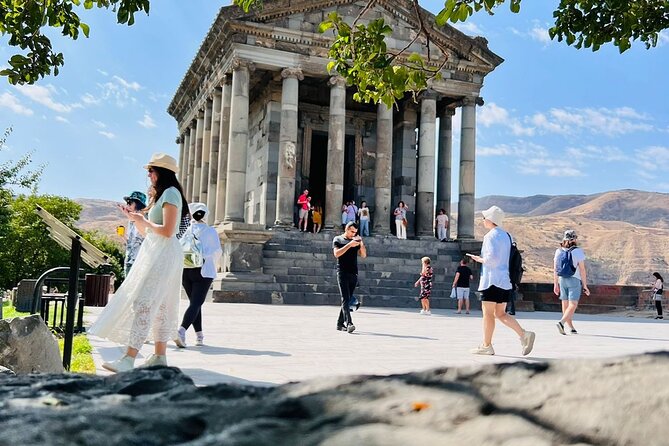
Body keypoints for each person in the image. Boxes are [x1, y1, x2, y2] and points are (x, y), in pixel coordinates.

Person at [89, 153, 188, 372]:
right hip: (157, 251)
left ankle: (129, 358)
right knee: (158, 305)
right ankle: (159, 357)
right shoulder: (163, 195)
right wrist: (135, 219)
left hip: (163, 253)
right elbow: (148, 233)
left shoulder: (171, 193)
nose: (149, 175)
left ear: (161, 172)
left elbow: (169, 231)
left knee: (145, 303)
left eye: (151, 170)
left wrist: (143, 220)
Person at [467, 206, 535, 356]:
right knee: (501, 313)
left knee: (488, 314)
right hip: (505, 280)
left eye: (485, 218)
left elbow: (492, 260)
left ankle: (486, 345)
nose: (483, 220)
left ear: (490, 220)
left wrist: (479, 259)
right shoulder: (507, 235)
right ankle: (524, 334)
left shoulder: (490, 236)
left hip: (492, 280)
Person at [175, 203, 222, 347]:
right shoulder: (210, 231)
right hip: (203, 270)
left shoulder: (187, 230)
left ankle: (199, 335)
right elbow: (217, 252)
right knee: (196, 303)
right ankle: (181, 331)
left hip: (186, 270)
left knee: (195, 304)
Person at [554, 230, 590, 335]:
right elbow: (582, 270)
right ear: (574, 239)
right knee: (573, 304)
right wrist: (585, 285)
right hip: (574, 279)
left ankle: (570, 327)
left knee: (565, 304)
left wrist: (555, 284)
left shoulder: (559, 251)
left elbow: (555, 269)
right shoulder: (578, 251)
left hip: (562, 280)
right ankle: (561, 323)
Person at [333, 222, 367, 333]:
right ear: (347, 229)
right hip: (342, 272)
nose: (353, 234)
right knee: (345, 299)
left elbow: (363, 255)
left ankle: (339, 323)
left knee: (347, 300)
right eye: (352, 231)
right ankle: (349, 323)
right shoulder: (338, 239)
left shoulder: (356, 241)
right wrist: (349, 245)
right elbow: (337, 254)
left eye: (355, 232)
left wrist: (361, 243)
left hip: (353, 273)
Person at [122, 191, 147, 276]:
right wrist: (122, 236)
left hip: (139, 261)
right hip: (129, 260)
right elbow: (130, 242)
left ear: (138, 204)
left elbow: (145, 236)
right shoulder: (131, 220)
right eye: (127, 202)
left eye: (130, 202)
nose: (127, 205)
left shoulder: (144, 219)